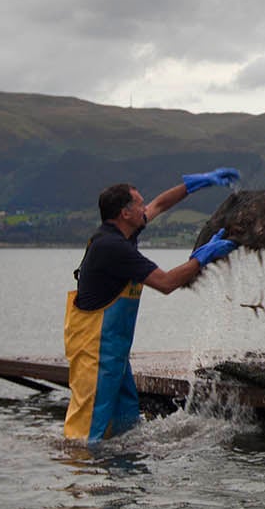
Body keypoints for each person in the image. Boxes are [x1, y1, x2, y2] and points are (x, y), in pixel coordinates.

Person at [62, 169, 240, 443]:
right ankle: (79, 480)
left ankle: (119, 481)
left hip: (115, 355)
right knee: (84, 436)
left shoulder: (123, 234)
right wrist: (202, 257)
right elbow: (167, 283)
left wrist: (197, 184)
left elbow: (160, 204)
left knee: (125, 430)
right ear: (124, 213)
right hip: (94, 354)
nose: (145, 208)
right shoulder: (113, 247)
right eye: (138, 204)